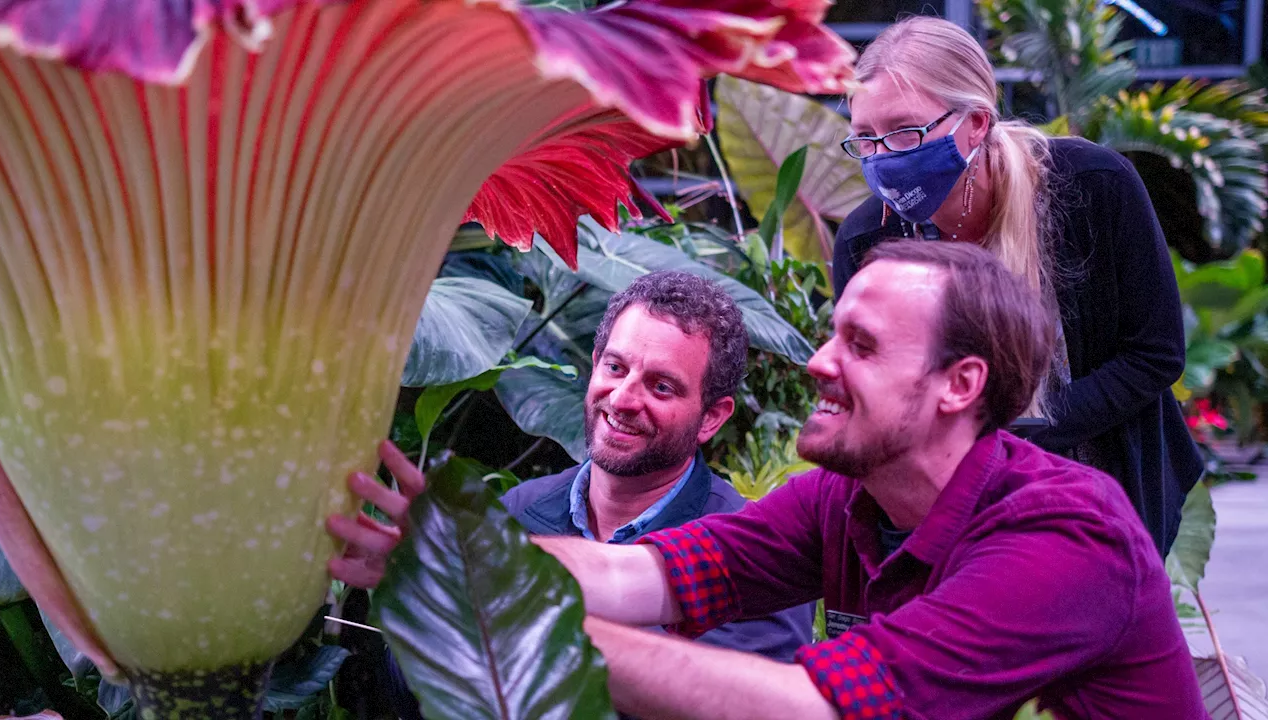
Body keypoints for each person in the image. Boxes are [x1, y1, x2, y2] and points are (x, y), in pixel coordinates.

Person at [332, 241, 1208, 720]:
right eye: (833, 334)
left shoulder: (1064, 538)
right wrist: (451, 547)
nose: (820, 364)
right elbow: (647, 575)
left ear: (960, 385)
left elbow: (805, 708)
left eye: (860, 346)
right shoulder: (848, 501)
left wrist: (498, 604)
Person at [329, 271, 813, 718]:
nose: (623, 398)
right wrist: (421, 598)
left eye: (661, 387)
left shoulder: (750, 554)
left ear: (711, 416)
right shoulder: (513, 515)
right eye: (615, 367)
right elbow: (418, 695)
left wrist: (481, 608)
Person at [831, 16, 1201, 558]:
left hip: (1104, 482)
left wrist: (1015, 439)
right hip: (942, 500)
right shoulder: (869, 238)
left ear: (976, 123)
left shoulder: (1090, 186)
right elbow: (869, 384)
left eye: (905, 132)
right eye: (866, 139)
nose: (884, 158)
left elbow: (1155, 353)